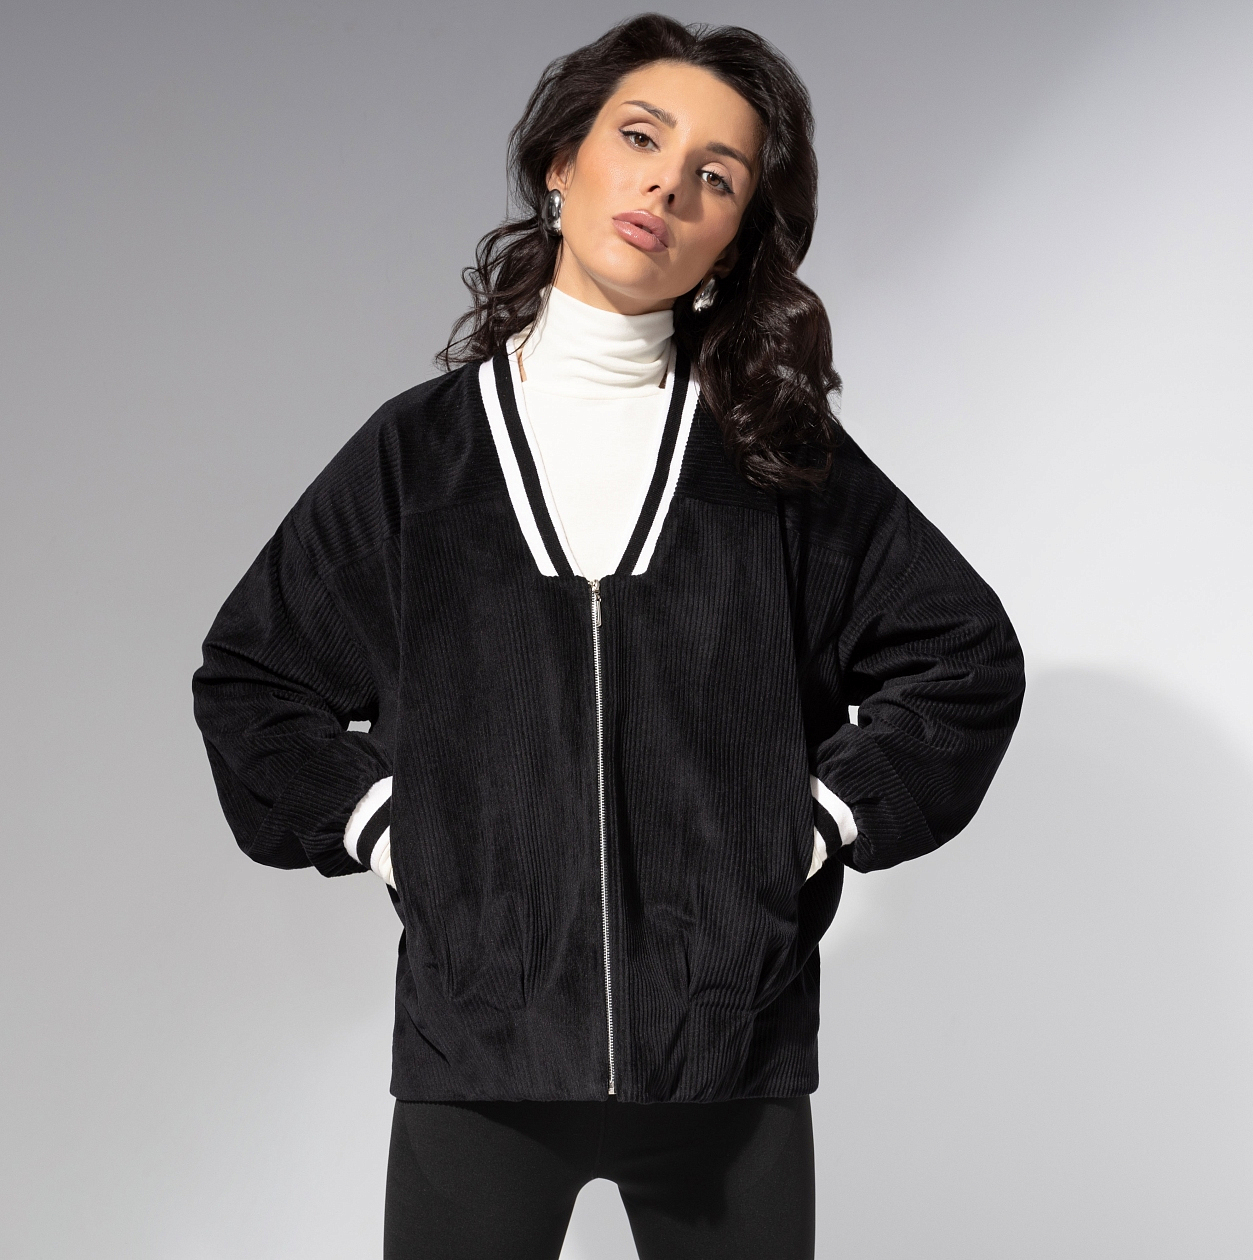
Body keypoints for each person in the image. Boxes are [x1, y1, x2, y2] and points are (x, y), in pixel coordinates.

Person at [190, 14, 1025, 1259]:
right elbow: (254, 680)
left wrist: (799, 827)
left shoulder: (773, 463)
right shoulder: (419, 460)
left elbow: (964, 661)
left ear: (735, 237)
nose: (667, 186)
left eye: (716, 176)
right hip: (481, 1060)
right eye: (640, 138)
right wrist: (395, 830)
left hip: (726, 1062)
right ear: (560, 164)